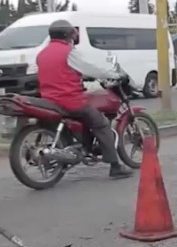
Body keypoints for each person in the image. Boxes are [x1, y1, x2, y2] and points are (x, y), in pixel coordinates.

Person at [35, 19, 132, 179]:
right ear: (68, 35)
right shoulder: (68, 52)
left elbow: (59, 73)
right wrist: (113, 75)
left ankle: (84, 146)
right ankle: (115, 166)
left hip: (49, 100)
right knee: (102, 124)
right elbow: (90, 68)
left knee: (87, 116)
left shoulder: (42, 54)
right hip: (69, 101)